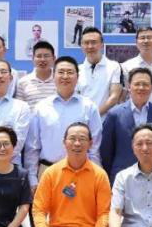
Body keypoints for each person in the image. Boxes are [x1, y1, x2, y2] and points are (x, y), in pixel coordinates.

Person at [24, 56, 103, 192]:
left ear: (77, 77)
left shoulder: (89, 107)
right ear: (53, 76)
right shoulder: (41, 107)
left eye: (70, 72)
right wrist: (32, 178)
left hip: (81, 173)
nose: (65, 76)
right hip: (47, 171)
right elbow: (32, 147)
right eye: (61, 72)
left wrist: (96, 175)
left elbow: (95, 147)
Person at [99, 67, 152, 184]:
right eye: (137, 84)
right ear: (129, 87)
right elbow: (106, 150)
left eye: (145, 84)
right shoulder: (114, 114)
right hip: (122, 179)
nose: (141, 88)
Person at [76, 27, 124, 116]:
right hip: (81, 121)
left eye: (94, 42)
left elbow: (114, 97)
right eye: (86, 43)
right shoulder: (77, 70)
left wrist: (93, 117)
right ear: (81, 45)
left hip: (106, 121)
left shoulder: (114, 67)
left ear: (102, 44)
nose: (90, 46)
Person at [122, 27, 152, 105]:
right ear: (136, 42)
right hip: (133, 112)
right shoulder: (126, 67)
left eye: (149, 38)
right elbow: (123, 96)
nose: (146, 41)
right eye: (142, 38)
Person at [15, 40, 56, 111]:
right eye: (39, 56)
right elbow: (19, 110)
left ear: (54, 58)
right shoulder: (23, 82)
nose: (42, 59)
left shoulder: (60, 80)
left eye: (46, 56)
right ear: (33, 59)